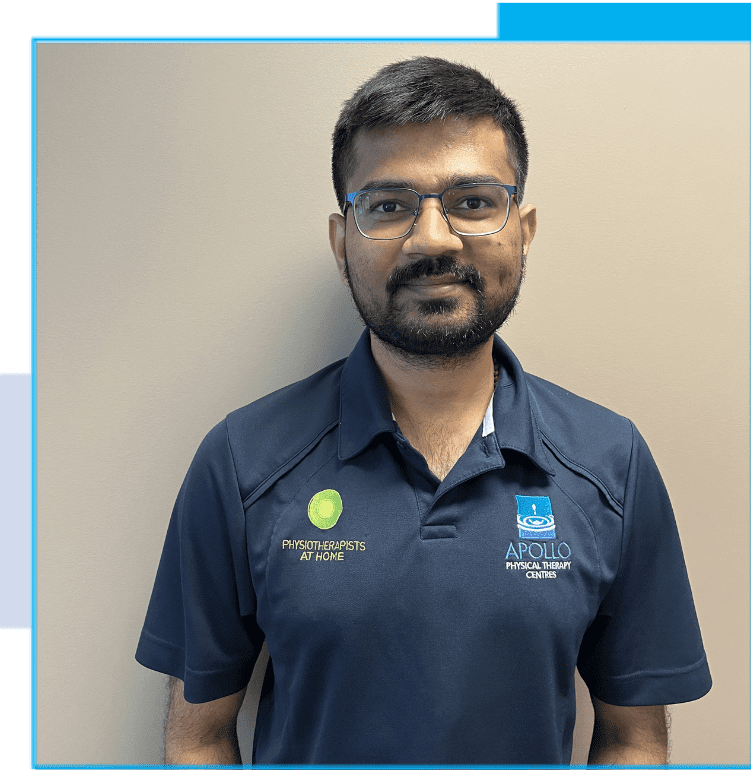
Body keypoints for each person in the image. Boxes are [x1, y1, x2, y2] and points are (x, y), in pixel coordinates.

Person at [135, 56, 711, 765]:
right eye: (388, 205)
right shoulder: (242, 459)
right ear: (341, 240)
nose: (431, 239)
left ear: (522, 230)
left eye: (472, 201)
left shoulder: (609, 461)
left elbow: (632, 737)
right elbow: (198, 738)